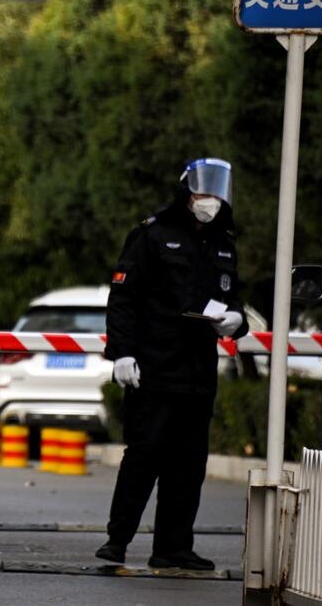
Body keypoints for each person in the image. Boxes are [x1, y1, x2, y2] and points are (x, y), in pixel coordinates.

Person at [95, 158, 248, 571]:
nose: (210, 200)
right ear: (186, 192)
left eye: (216, 193)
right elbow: (123, 300)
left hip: (197, 372)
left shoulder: (223, 242)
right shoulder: (152, 235)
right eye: (203, 192)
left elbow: (233, 298)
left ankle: (173, 547)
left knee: (188, 464)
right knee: (144, 456)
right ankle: (117, 541)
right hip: (155, 367)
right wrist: (122, 353)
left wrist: (236, 321)